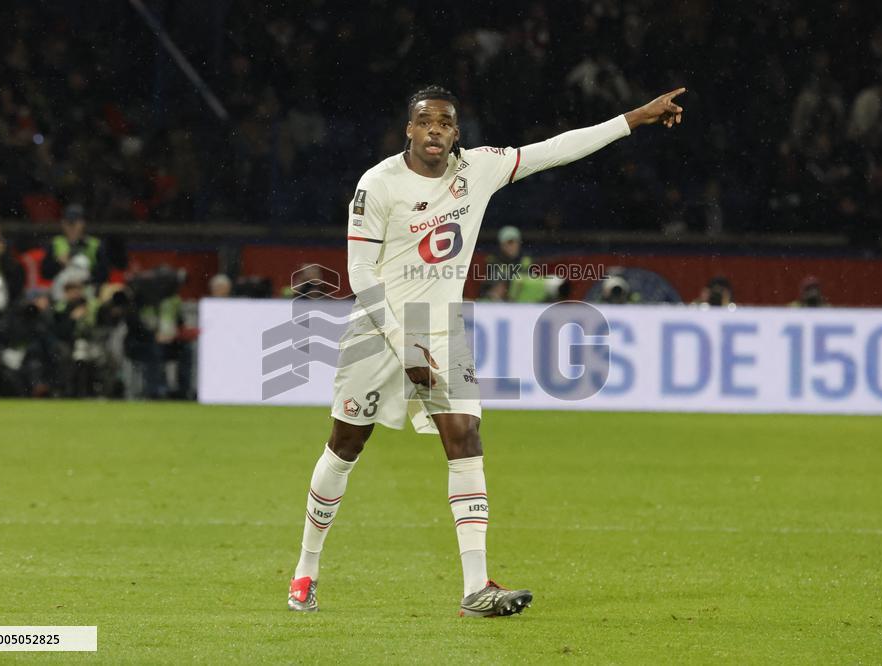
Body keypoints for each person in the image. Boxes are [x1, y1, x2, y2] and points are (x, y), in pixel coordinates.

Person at [287, 84, 686, 617]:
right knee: (345, 446)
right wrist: (405, 345)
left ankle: (476, 587)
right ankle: (305, 572)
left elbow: (557, 148)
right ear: (409, 129)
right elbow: (360, 273)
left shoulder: (478, 168)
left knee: (465, 436)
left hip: (445, 328)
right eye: (424, 121)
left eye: (445, 123)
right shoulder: (378, 183)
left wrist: (634, 118)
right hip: (379, 330)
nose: (435, 130)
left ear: (457, 132)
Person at [40, 204, 110, 297]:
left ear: (83, 223)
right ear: (63, 223)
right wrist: (58, 263)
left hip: (87, 291)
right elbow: (45, 273)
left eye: (75, 222)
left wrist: (85, 280)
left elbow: (104, 274)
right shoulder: (55, 243)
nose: (71, 227)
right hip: (62, 290)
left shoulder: (95, 244)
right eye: (68, 223)